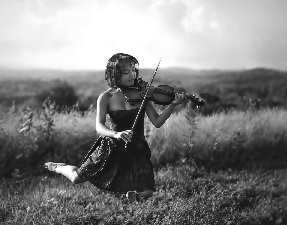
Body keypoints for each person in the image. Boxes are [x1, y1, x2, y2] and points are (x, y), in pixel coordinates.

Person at [45, 53, 186, 201]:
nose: (132, 75)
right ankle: (59, 167)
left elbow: (157, 122)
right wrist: (116, 134)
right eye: (126, 72)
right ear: (115, 74)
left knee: (147, 191)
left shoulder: (143, 95)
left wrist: (172, 105)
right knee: (76, 178)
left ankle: (131, 198)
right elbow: (99, 126)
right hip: (111, 146)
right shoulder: (106, 97)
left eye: (133, 70)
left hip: (136, 148)